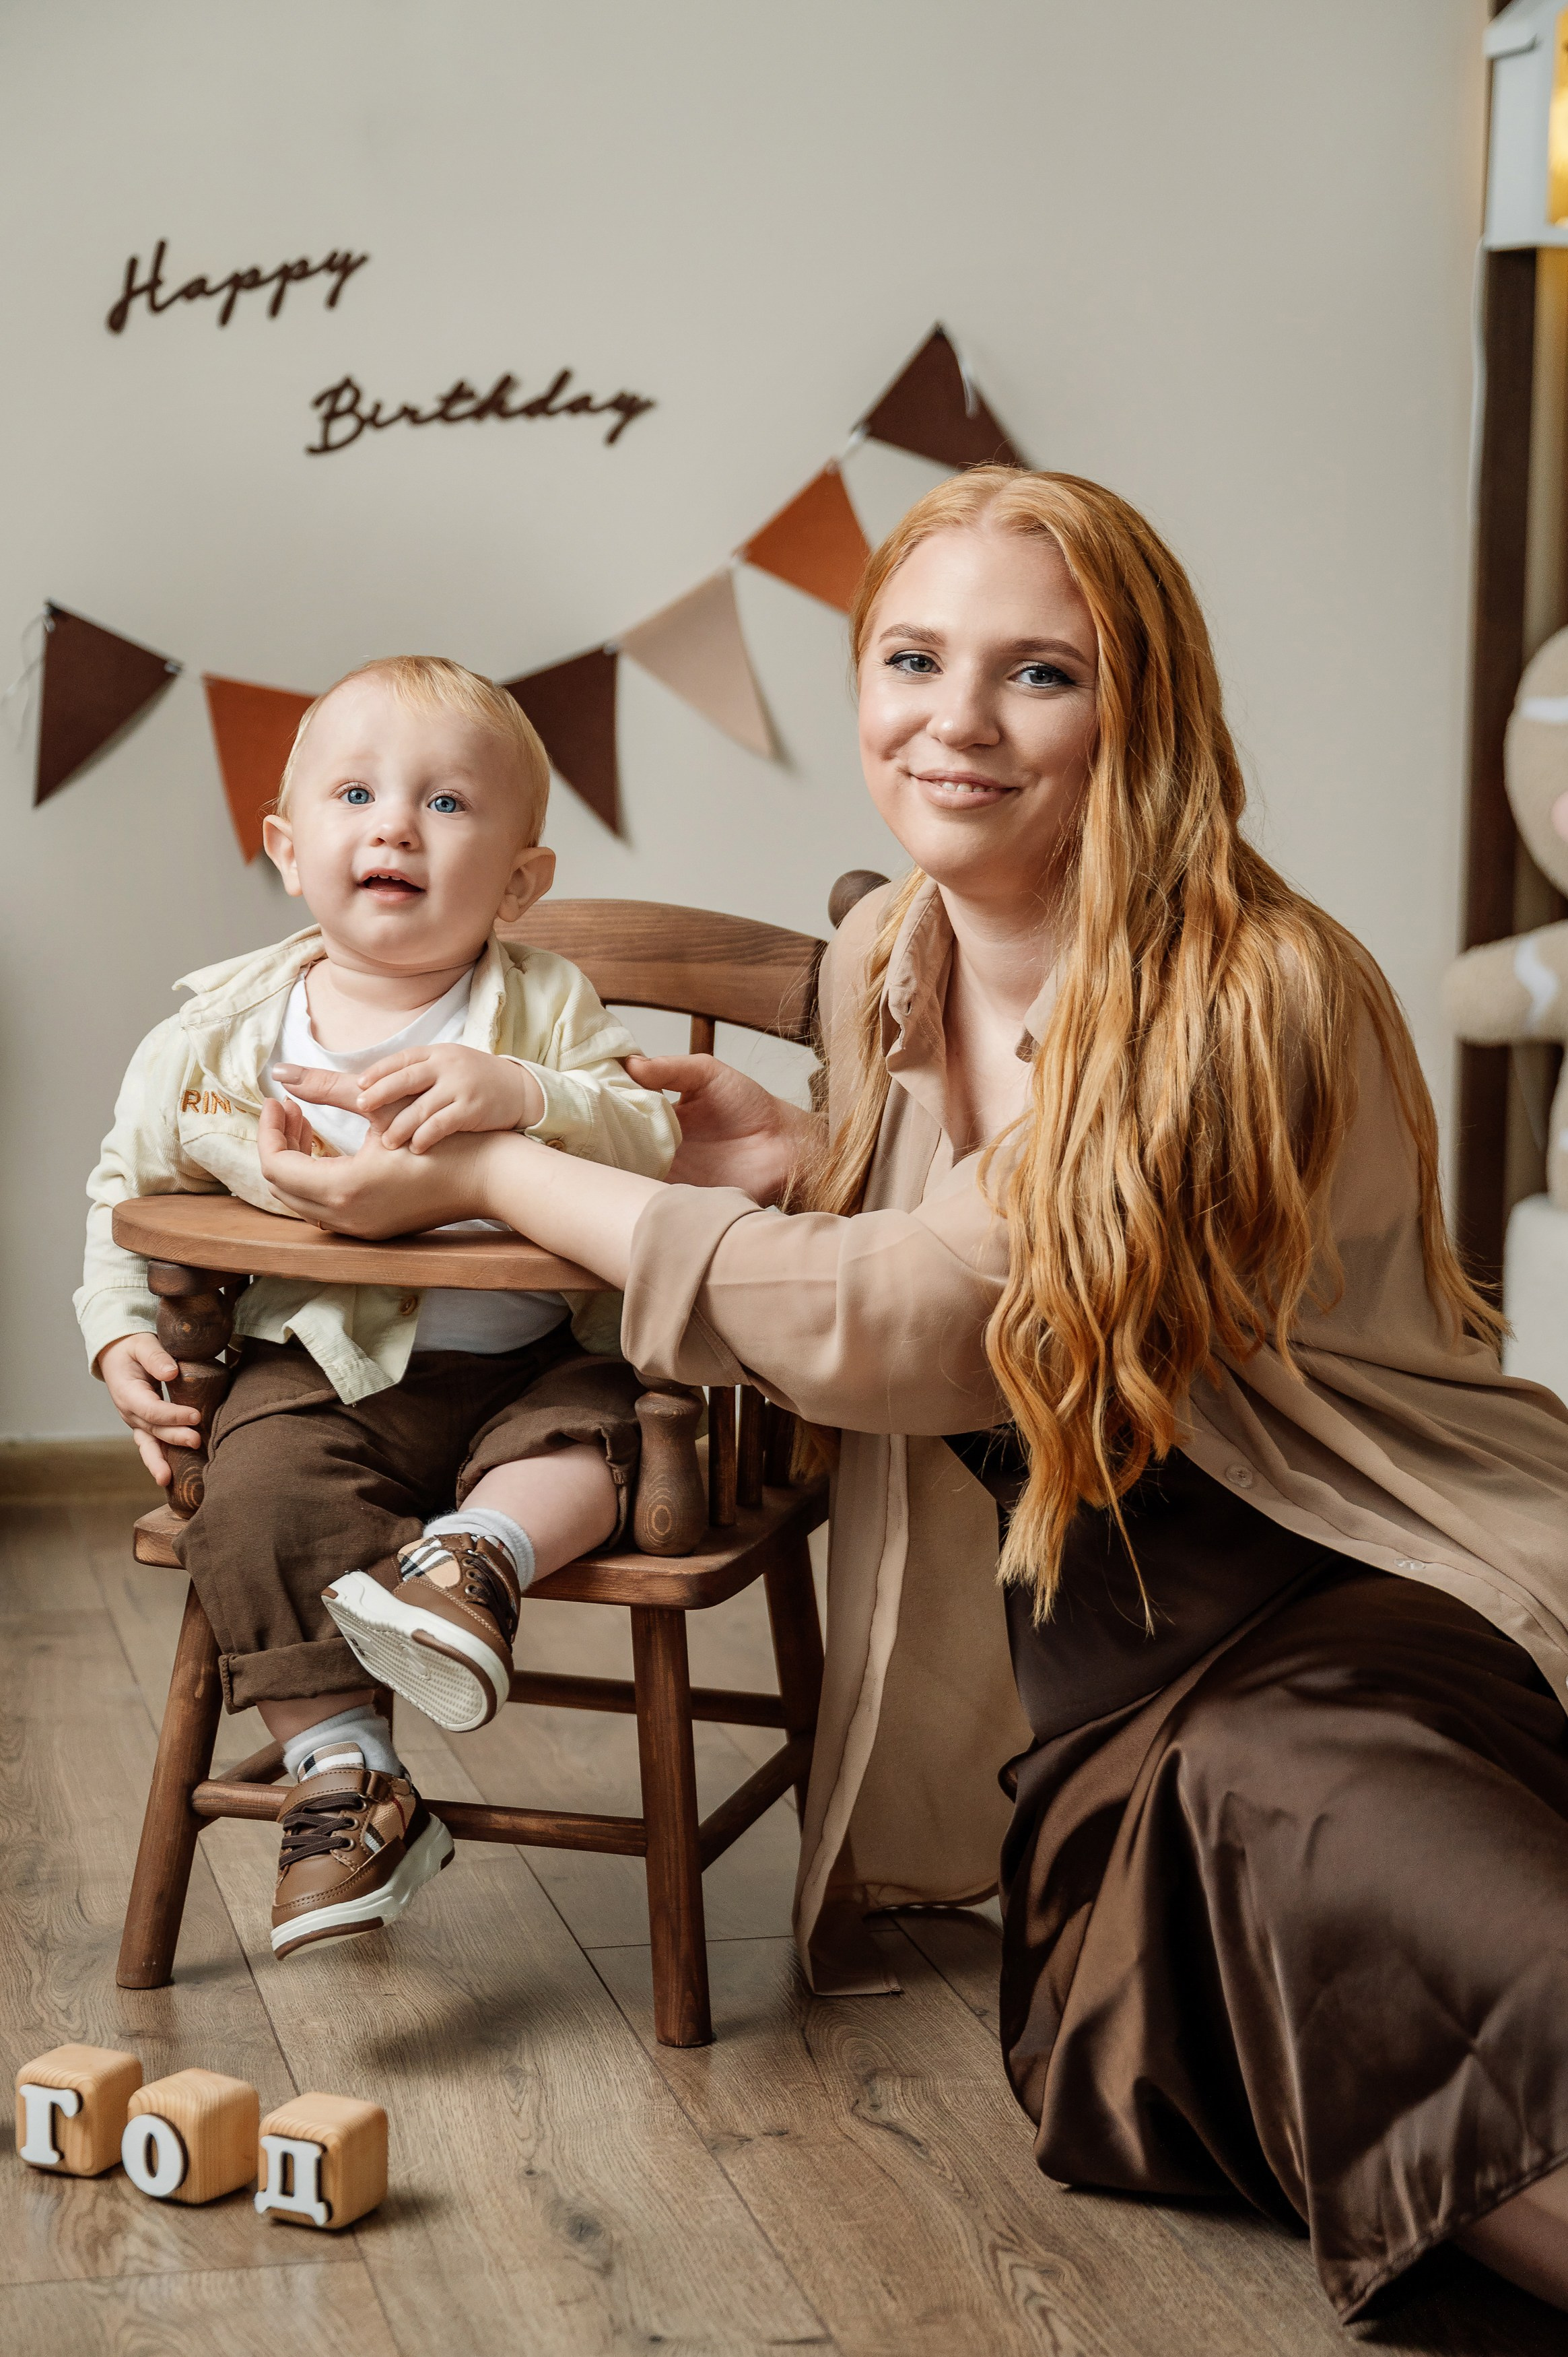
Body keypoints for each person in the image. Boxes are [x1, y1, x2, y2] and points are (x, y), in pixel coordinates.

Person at [254, 473, 1568, 2322]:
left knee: (1321, 1820)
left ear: (1143, 711)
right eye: (912, 657)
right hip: (1110, 1671)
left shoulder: (1244, 992)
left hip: (1352, 1585)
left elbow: (945, 1317)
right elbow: (989, 1229)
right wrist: (800, 1158)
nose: (955, 720)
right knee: (1173, 1996)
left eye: (1038, 672)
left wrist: (498, 1168)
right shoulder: (892, 956)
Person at [77, 656, 677, 1958]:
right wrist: (123, 1331)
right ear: (292, 851)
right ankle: (347, 1779)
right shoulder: (219, 1039)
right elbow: (131, 1195)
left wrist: (524, 1094)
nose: (396, 825)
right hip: (324, 1361)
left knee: (593, 1437)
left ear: (520, 881)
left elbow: (647, 1137)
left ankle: (474, 1565)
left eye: (447, 805)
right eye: (357, 794)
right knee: (255, 1496)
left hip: (532, 1357)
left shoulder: (543, 1006)